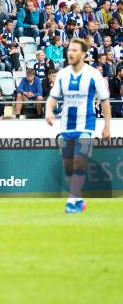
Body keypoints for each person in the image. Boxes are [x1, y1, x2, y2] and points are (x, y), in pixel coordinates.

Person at [45, 38, 111, 214]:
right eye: (69, 50)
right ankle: (78, 198)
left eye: (74, 50)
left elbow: (105, 101)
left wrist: (107, 126)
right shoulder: (62, 74)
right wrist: (48, 111)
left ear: (83, 53)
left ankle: (71, 200)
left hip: (86, 124)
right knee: (68, 165)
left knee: (79, 161)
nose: (70, 53)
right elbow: (52, 97)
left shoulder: (93, 74)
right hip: (66, 125)